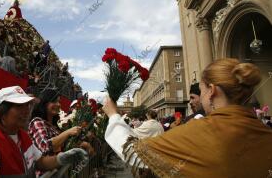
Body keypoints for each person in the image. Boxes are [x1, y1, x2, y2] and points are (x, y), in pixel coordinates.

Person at [103, 58, 272, 178]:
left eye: (202, 89)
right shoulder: (265, 132)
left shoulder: (204, 130)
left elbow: (134, 151)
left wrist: (113, 115)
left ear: (211, 91)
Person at [0, 86, 88, 178]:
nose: (26, 111)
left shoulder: (23, 136)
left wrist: (62, 158)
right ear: (0, 113)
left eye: (27, 105)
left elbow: (41, 162)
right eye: (19, 106)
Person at [28, 89, 82, 156]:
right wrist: (68, 132)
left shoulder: (55, 126)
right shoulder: (37, 122)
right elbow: (45, 147)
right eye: (54, 101)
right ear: (44, 103)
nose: (58, 104)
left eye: (59, 101)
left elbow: (64, 147)